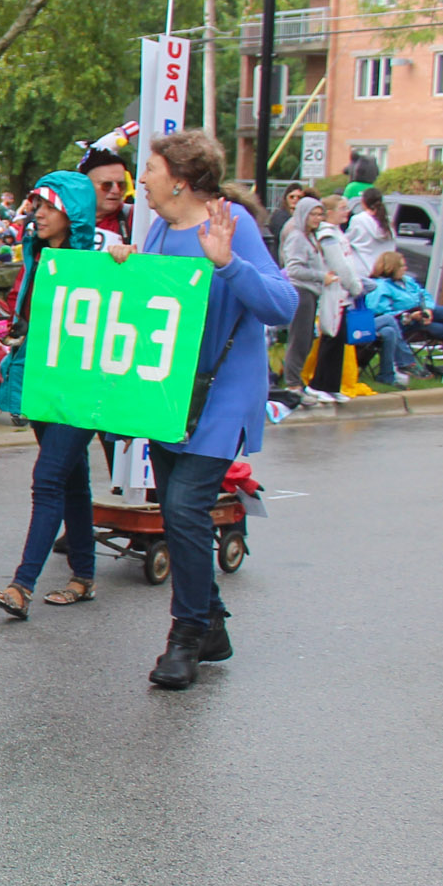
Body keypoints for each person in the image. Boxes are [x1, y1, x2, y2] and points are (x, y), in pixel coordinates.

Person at [110, 130, 296, 689]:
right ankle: (211, 622)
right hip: (168, 397)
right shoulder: (161, 228)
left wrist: (229, 263)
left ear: (180, 179)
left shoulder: (229, 223)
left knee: (187, 510)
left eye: (149, 168)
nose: (140, 179)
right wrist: (129, 265)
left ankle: (186, 637)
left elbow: (282, 304)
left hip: (220, 398)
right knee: (177, 512)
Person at [0, 173, 104, 621]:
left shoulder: (99, 263)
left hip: (78, 388)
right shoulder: (36, 256)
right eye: (36, 205)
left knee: (48, 479)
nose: (39, 214)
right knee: (73, 480)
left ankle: (22, 586)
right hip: (40, 381)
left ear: (72, 215)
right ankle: (84, 577)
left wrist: (122, 261)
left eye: (49, 207)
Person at [364, 251, 443, 386]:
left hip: (420, 315)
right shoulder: (380, 286)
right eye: (402, 266)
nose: (405, 268)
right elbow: (380, 313)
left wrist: (427, 309)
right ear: (391, 268)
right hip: (402, 322)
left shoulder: (407, 281)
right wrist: (409, 316)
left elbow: (424, 295)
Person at [304, 194, 364, 403]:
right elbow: (339, 265)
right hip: (333, 292)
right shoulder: (327, 236)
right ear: (329, 213)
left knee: (339, 340)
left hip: (342, 293)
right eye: (342, 208)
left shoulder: (338, 234)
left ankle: (332, 384)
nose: (346, 212)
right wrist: (354, 285)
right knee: (330, 337)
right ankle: (318, 383)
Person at [279, 198, 337, 398]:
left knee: (307, 338)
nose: (317, 218)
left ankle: (297, 380)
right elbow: (294, 269)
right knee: (299, 338)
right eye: (313, 214)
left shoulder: (311, 237)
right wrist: (322, 277)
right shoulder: (297, 238)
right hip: (301, 291)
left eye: (320, 214)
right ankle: (293, 384)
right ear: (303, 214)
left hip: (312, 292)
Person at [78, 148, 131, 246]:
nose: (116, 191)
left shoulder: (134, 218)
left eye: (121, 185)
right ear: (85, 186)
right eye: (107, 185)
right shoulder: (64, 220)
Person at [347, 185, 395, 267]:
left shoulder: (358, 219)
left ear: (363, 202)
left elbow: (348, 240)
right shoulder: (387, 220)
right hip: (383, 267)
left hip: (363, 266)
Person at [265, 184, 305, 260]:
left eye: (299, 197)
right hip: (281, 256)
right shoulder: (280, 216)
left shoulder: (301, 216)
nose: (295, 199)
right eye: (292, 197)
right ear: (286, 198)